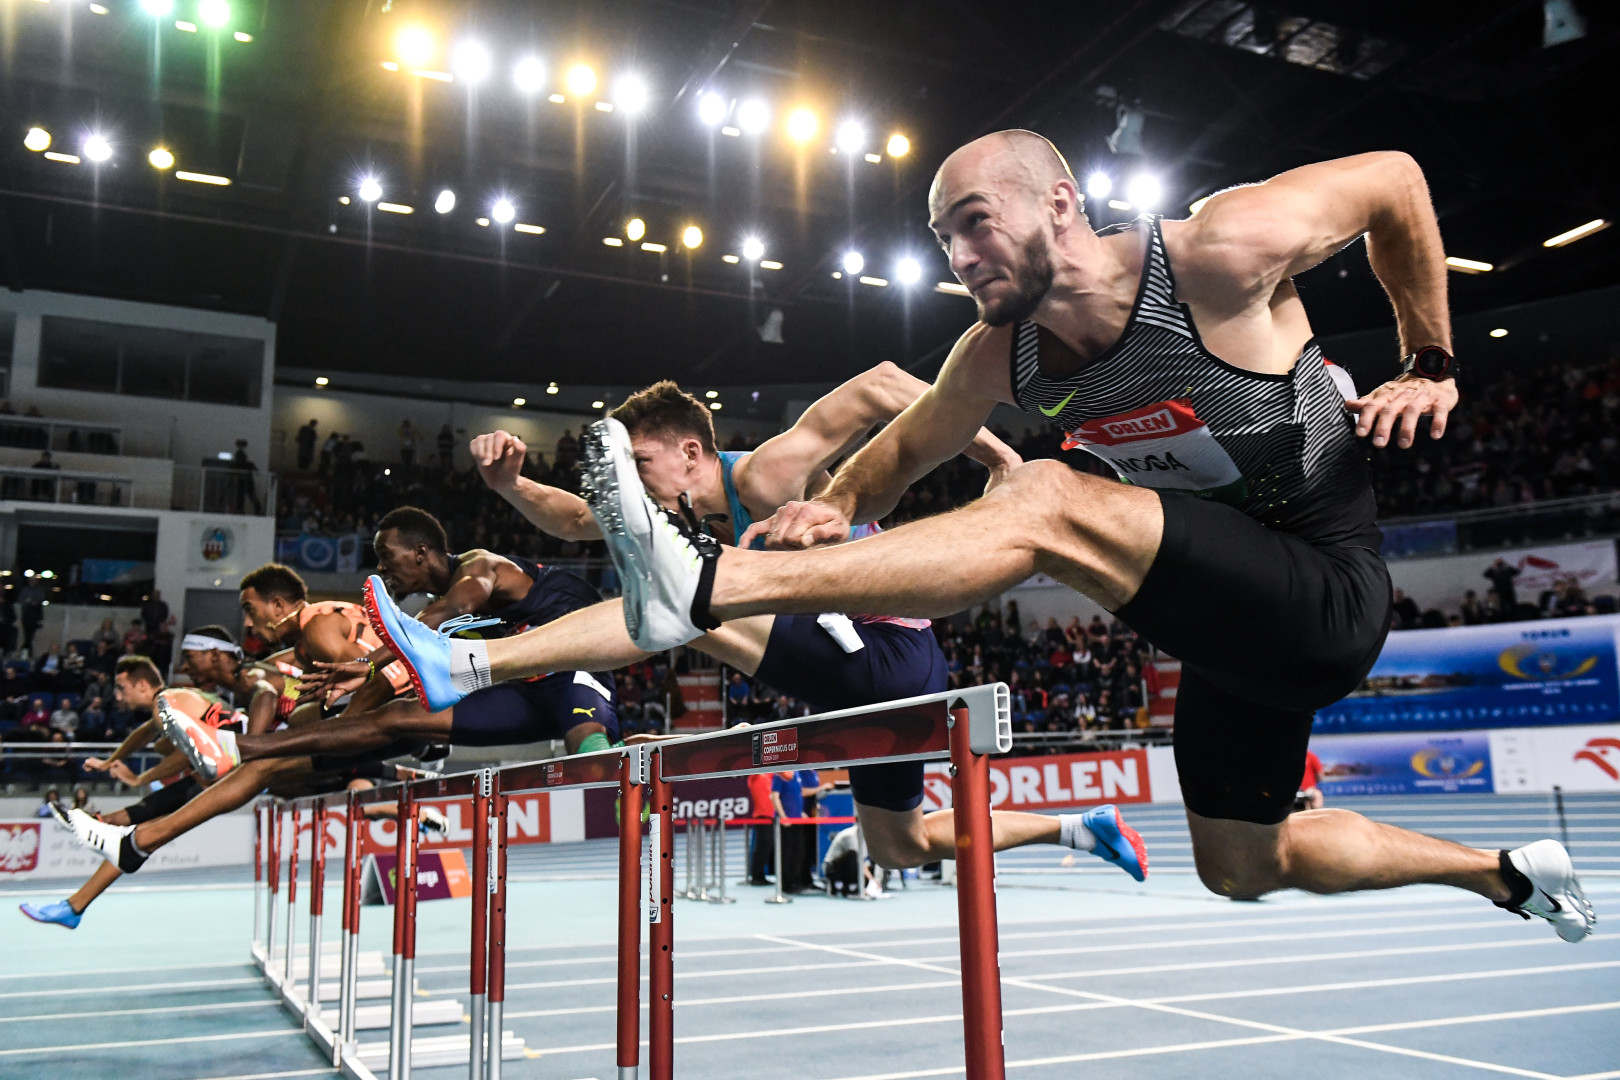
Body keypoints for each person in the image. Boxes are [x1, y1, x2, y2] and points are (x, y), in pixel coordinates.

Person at [572, 133, 1592, 940]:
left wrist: (1432, 359)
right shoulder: (1000, 352)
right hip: (1236, 638)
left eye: (974, 223)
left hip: (1327, 586)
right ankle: (1504, 876)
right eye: (942, 241)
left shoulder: (1216, 253)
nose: (959, 255)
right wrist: (834, 501)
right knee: (1242, 867)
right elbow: (904, 446)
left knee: (1046, 499)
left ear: (1058, 203)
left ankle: (712, 588)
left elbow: (1396, 182)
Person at [367, 374, 1148, 881]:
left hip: (889, 654)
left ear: (692, 453)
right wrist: (511, 484)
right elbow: (574, 518)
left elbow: (880, 387)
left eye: (641, 467)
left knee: (682, 608)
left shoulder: (763, 475)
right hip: (866, 679)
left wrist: (995, 452)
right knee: (898, 845)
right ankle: (1082, 828)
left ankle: (471, 666)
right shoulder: (665, 520)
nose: (630, 489)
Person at [162, 507, 617, 779]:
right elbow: (439, 619)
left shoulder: (482, 566)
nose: (383, 567)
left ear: (420, 552)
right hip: (522, 685)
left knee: (591, 748)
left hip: (573, 661)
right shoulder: (443, 600)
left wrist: (376, 657)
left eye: (387, 557)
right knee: (397, 718)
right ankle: (234, 749)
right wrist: (371, 665)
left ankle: (634, 777)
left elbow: (452, 608)